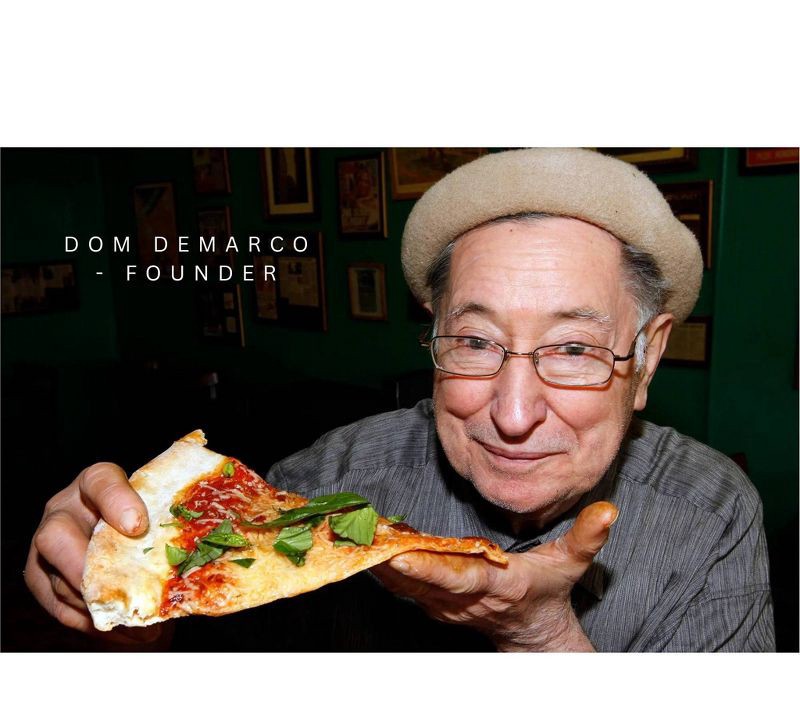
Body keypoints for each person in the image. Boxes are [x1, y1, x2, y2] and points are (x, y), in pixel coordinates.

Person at [24, 148, 774, 651]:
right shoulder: (327, 479)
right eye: (475, 342)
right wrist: (139, 619)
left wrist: (541, 635)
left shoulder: (710, 515)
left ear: (647, 359)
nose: (512, 414)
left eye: (573, 350)